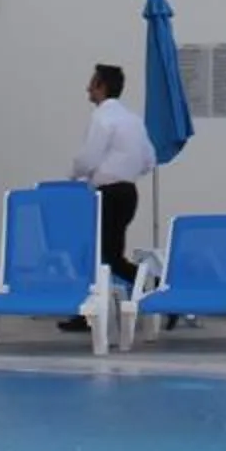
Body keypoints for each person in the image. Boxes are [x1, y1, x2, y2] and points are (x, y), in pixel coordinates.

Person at [63, 63, 153, 330]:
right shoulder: (133, 119)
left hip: (107, 194)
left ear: (102, 87)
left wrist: (73, 174)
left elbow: (88, 157)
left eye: (92, 83)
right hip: (128, 192)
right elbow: (149, 160)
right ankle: (88, 314)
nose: (88, 88)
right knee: (108, 255)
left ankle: (155, 287)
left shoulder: (102, 118)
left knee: (99, 255)